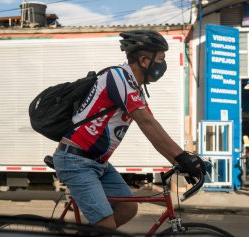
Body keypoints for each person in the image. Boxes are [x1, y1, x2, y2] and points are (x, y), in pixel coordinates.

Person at [52, 30, 206, 230]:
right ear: (144, 60)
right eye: (161, 59)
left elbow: (152, 124)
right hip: (76, 161)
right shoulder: (118, 77)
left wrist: (179, 161)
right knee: (106, 226)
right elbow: (146, 124)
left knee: (127, 208)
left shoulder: (134, 88)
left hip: (98, 162)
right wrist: (182, 158)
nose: (163, 64)